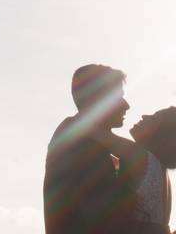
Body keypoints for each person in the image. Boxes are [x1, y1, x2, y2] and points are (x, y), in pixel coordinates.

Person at [43, 64, 136, 234]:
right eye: (118, 97)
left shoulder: (79, 141)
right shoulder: (81, 146)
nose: (126, 105)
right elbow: (104, 220)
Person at [93, 107, 176, 234]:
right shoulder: (158, 170)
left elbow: (94, 134)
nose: (144, 116)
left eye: (154, 118)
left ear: (162, 136)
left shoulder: (143, 158)